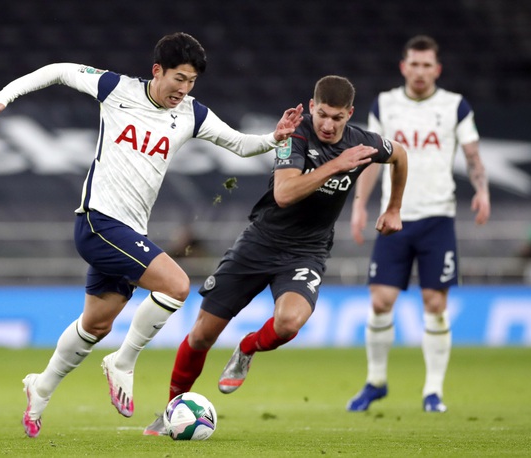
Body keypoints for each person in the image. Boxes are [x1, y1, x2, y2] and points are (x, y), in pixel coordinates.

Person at [0, 32, 304, 438]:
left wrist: (274, 138)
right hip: (98, 221)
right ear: (157, 71)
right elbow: (59, 71)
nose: (183, 89)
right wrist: (4, 97)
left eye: (191, 82)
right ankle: (123, 362)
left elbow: (239, 145)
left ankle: (40, 386)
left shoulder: (192, 113)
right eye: (178, 79)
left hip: (130, 231)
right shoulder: (116, 89)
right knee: (175, 284)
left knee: (96, 325)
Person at [143, 75, 408, 435]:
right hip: (259, 243)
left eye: (337, 118)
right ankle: (171, 408)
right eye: (323, 115)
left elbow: (401, 155)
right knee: (202, 335)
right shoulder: (295, 135)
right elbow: (284, 193)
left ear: (350, 114)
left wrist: (393, 208)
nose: (328, 125)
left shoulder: (362, 142)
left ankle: (247, 348)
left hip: (307, 252)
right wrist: (336, 165)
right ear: (312, 107)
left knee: (288, 324)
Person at [346, 35, 490, 413]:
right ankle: (375, 381)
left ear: (437, 69)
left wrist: (482, 190)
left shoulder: (455, 106)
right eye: (415, 64)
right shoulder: (385, 104)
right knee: (380, 301)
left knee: (434, 303)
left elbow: (473, 154)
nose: (421, 71)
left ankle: (433, 391)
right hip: (394, 216)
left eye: (428, 65)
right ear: (404, 66)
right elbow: (370, 159)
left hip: (437, 217)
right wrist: (359, 206)